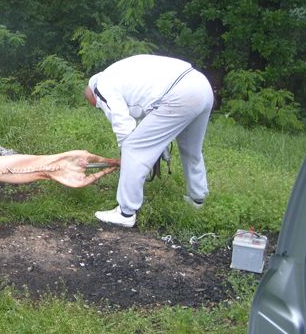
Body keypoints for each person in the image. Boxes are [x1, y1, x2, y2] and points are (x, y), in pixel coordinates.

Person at [84, 54, 214, 227]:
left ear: (93, 94)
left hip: (179, 94)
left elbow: (124, 128)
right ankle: (198, 199)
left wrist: (128, 158)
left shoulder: (102, 87)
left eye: (97, 105)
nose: (100, 107)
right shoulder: (119, 74)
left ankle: (126, 213)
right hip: (201, 85)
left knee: (133, 147)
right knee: (191, 149)